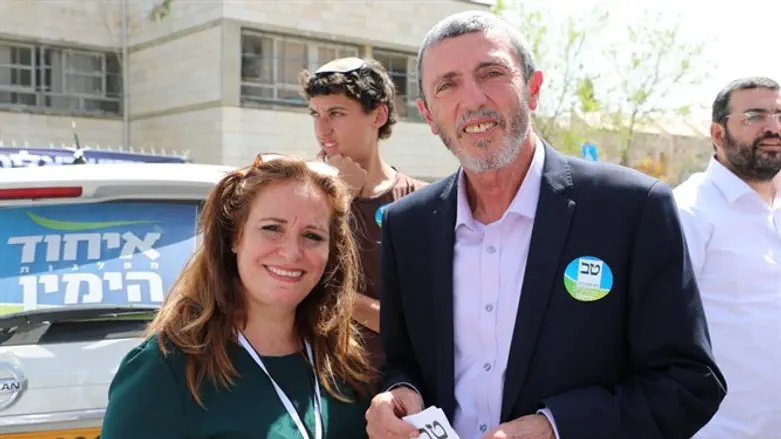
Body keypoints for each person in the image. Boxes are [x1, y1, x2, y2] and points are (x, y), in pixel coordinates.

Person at [365, 10, 727, 439]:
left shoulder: (632, 209)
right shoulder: (408, 225)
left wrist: (556, 427)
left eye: (492, 73)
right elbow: (402, 361)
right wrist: (398, 394)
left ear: (532, 89)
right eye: (448, 85)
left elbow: (689, 383)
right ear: (428, 114)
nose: (473, 99)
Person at [100, 154, 375, 438]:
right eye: (272, 228)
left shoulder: (342, 362)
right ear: (235, 237)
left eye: (313, 236)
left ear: (331, 252)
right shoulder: (165, 370)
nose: (292, 252)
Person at [299, 57, 427, 372]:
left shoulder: (420, 201)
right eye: (316, 114)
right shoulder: (302, 194)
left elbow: (423, 321)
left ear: (378, 115)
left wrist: (338, 299)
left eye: (336, 114)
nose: (322, 129)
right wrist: (339, 194)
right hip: (321, 386)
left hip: (401, 390)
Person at [673, 77, 781, 438]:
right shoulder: (689, 212)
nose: (773, 127)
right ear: (718, 134)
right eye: (754, 116)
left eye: (780, 114)